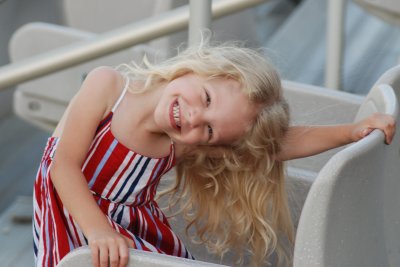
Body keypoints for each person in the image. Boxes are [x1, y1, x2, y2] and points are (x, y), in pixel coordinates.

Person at [32, 40, 396, 267]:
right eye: (205, 98)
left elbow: (275, 146)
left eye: (208, 129)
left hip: (130, 223)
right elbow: (63, 167)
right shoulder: (109, 86)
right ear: (199, 68)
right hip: (70, 207)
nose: (193, 117)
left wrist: (350, 131)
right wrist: (97, 232)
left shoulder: (183, 141)